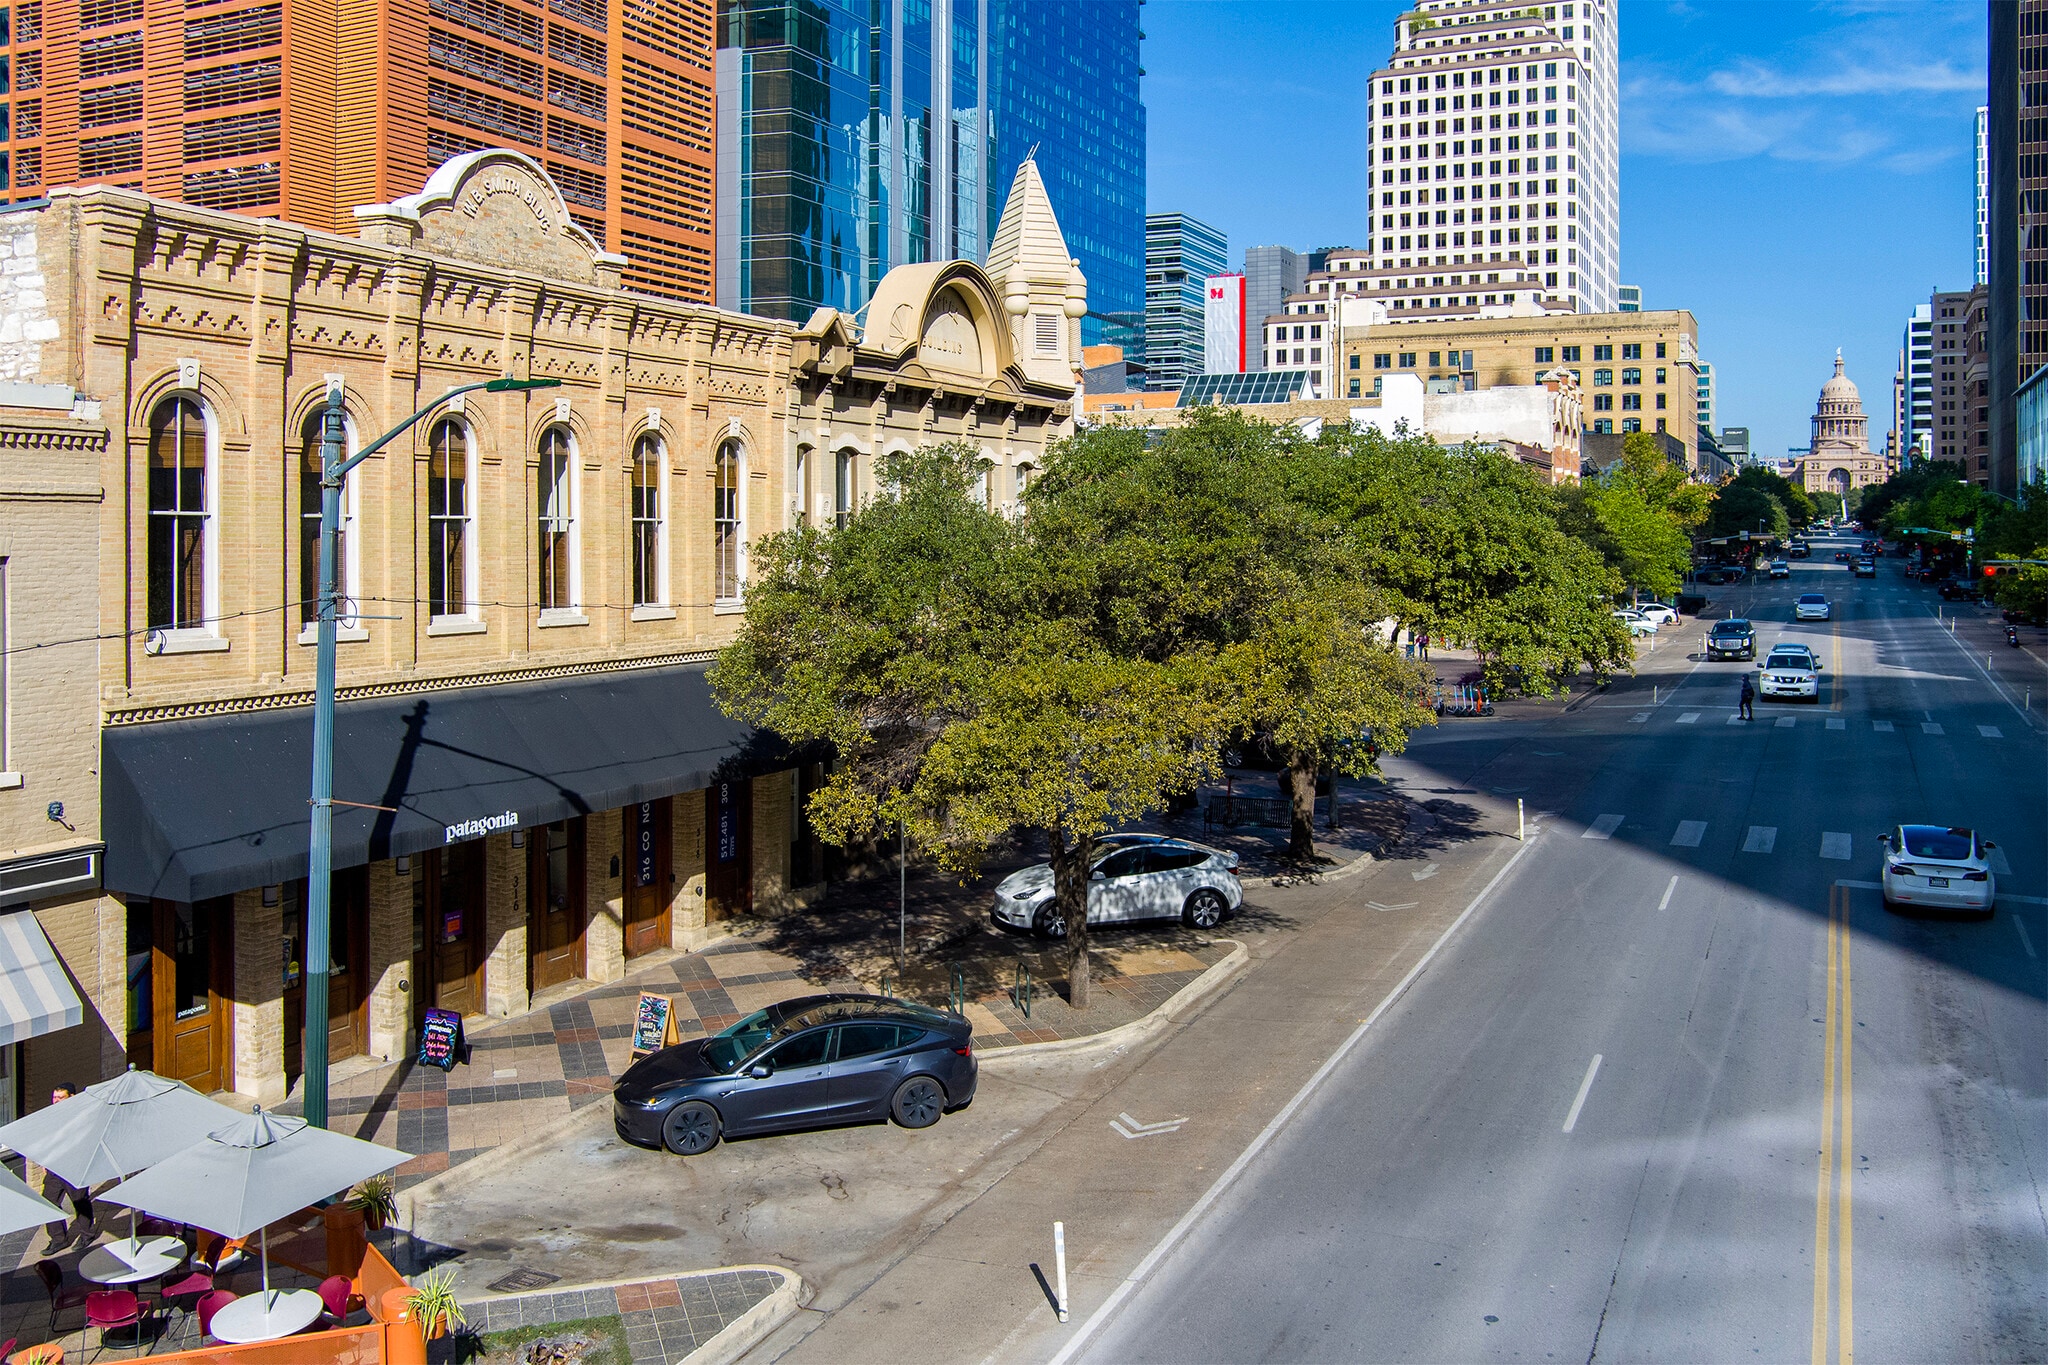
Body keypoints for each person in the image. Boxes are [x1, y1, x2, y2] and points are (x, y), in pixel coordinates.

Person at [37, 1082, 93, 1252]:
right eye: (54, 1097)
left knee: (80, 1202)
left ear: (71, 1097)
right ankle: (58, 1238)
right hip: (55, 1167)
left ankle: (86, 1235)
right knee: (48, 1202)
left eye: (60, 1098)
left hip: (74, 1166)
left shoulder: (81, 1117)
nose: (56, 1101)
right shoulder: (51, 1116)